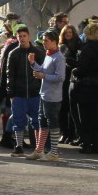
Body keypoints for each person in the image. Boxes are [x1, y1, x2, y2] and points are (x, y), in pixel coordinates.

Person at [26, 29, 66, 162]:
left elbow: (60, 77)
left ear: (54, 41)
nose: (43, 43)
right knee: (42, 121)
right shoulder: (49, 54)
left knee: (52, 122)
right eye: (43, 40)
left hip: (53, 96)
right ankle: (39, 150)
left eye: (46, 41)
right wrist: (33, 64)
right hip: (44, 94)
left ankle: (53, 152)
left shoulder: (59, 57)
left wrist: (43, 75)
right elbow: (42, 70)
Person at [5, 25, 44, 157]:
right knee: (18, 120)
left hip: (35, 92)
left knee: (37, 121)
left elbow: (42, 70)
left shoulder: (38, 52)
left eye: (24, 36)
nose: (22, 38)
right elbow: (10, 74)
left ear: (29, 36)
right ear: (16, 38)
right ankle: (19, 146)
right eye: (19, 36)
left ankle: (39, 147)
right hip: (19, 93)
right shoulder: (13, 53)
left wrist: (40, 88)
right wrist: (11, 93)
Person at [70, 21, 98, 154]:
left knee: (84, 117)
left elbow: (83, 68)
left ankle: (87, 144)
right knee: (94, 117)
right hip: (96, 86)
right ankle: (96, 144)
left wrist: (74, 69)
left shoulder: (85, 48)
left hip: (84, 86)